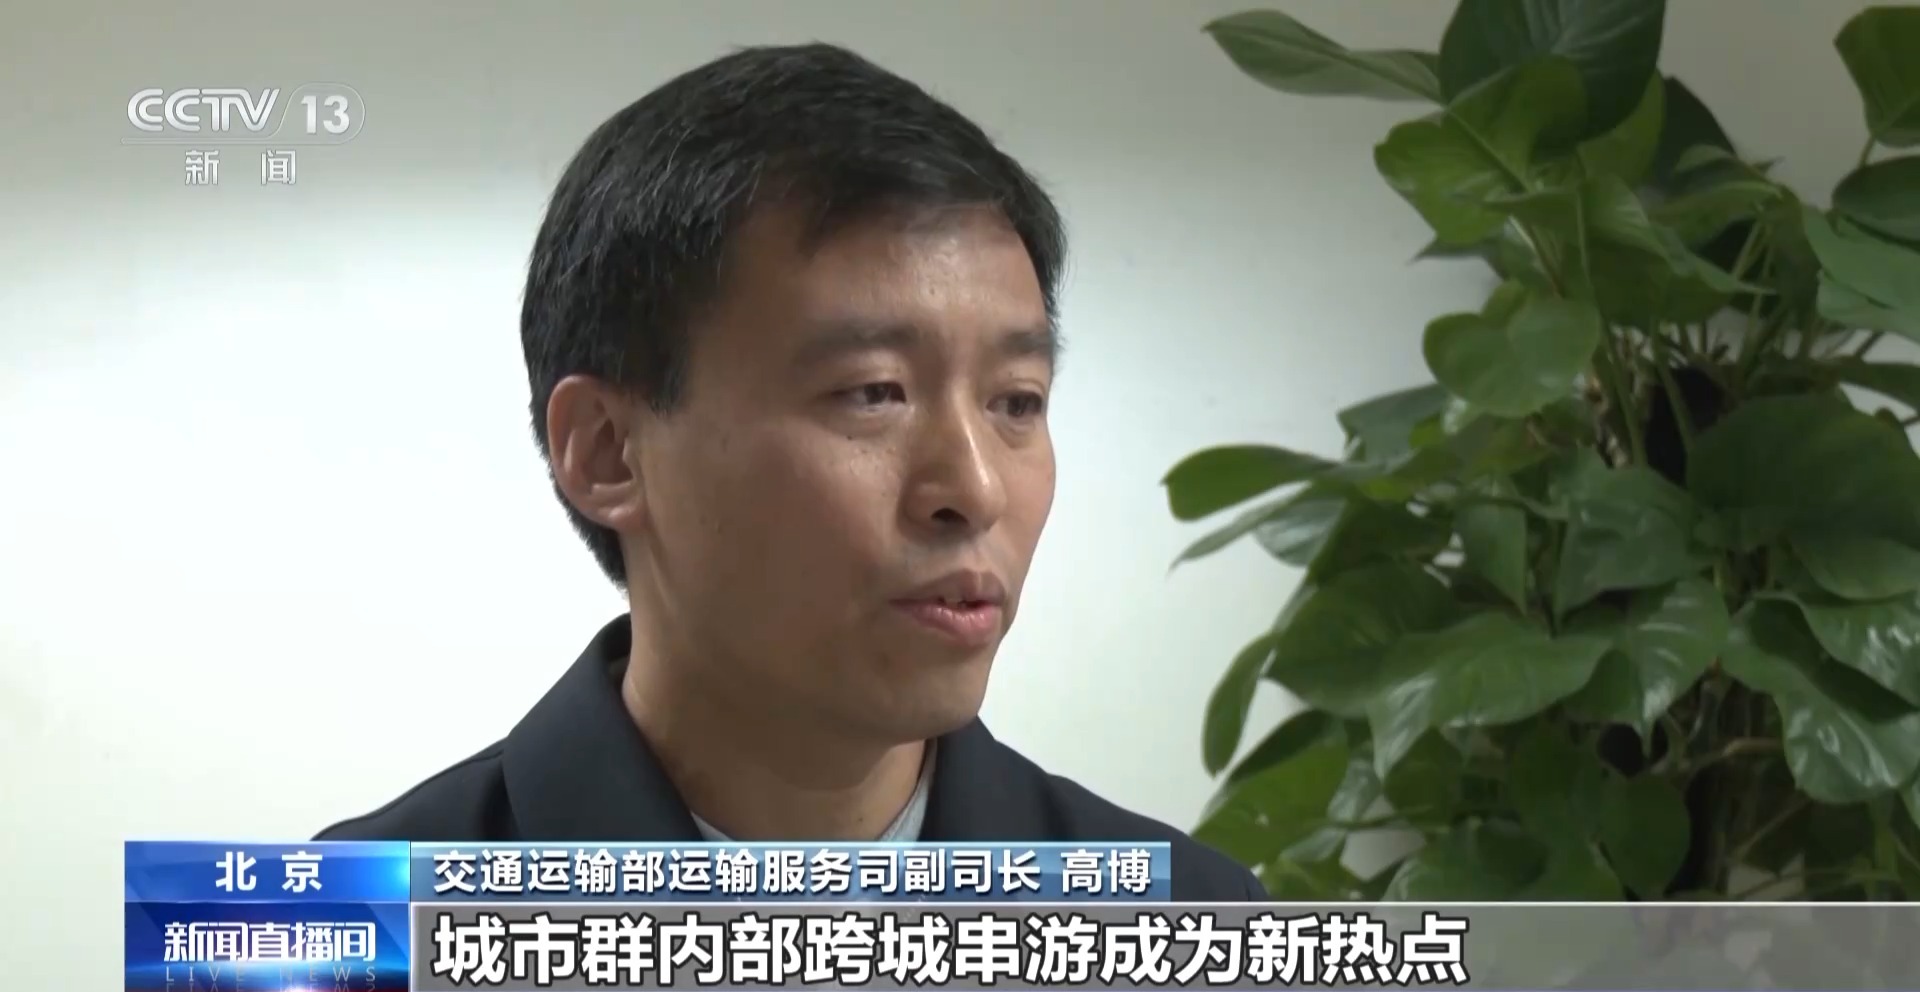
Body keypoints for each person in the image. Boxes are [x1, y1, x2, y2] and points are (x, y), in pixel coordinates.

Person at [318, 42, 1266, 902]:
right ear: (607, 451)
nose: (975, 490)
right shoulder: (357, 927)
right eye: (874, 393)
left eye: (1016, 402)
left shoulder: (1191, 922)